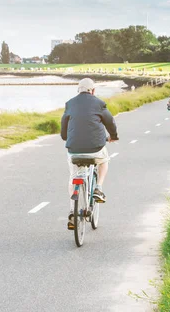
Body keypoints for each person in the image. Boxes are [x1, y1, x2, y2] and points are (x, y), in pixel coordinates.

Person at [61, 78, 118, 230]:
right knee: (104, 160)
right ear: (93, 91)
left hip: (74, 150)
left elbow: (63, 130)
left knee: (74, 177)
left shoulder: (70, 104)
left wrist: (67, 138)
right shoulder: (99, 103)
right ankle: (98, 188)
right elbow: (110, 121)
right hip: (96, 148)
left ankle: (73, 211)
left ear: (78, 91)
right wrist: (113, 136)